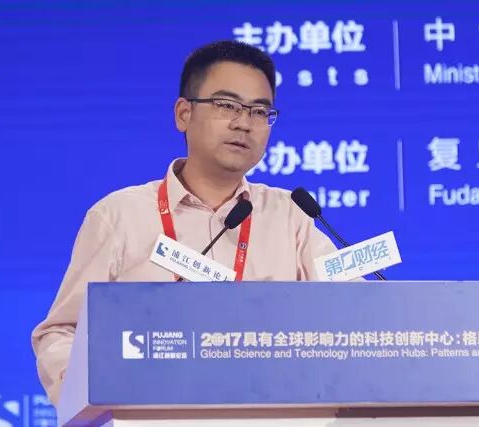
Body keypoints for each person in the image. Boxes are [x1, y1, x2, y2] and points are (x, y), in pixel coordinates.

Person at [31, 40, 339, 406]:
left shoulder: (291, 216)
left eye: (259, 111)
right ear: (183, 114)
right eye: (226, 105)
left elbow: (352, 311)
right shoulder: (119, 217)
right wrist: (91, 396)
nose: (243, 123)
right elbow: (62, 331)